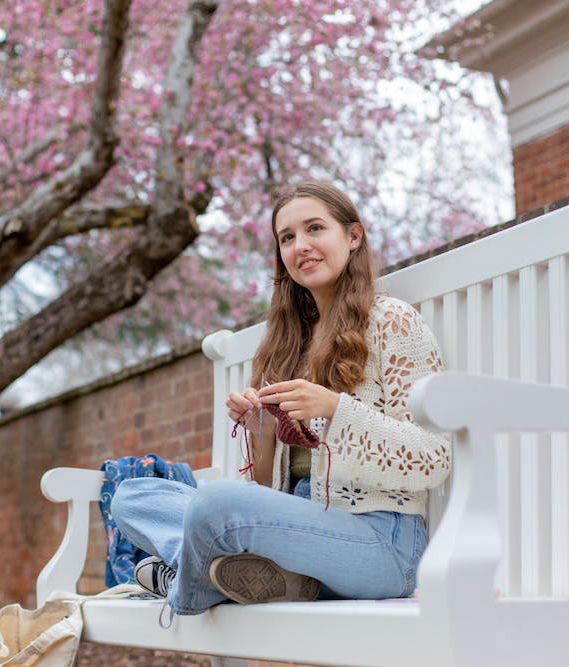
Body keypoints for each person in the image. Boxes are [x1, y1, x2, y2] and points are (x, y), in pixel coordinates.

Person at [110, 181, 451, 623]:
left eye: (314, 228)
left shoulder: (392, 321)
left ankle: (183, 585)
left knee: (216, 505)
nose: (300, 246)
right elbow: (270, 491)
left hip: (381, 543)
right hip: (304, 535)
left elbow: (433, 458)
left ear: (353, 236)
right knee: (133, 496)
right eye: (287, 238)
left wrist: (335, 409)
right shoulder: (291, 345)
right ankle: (270, 579)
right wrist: (262, 430)